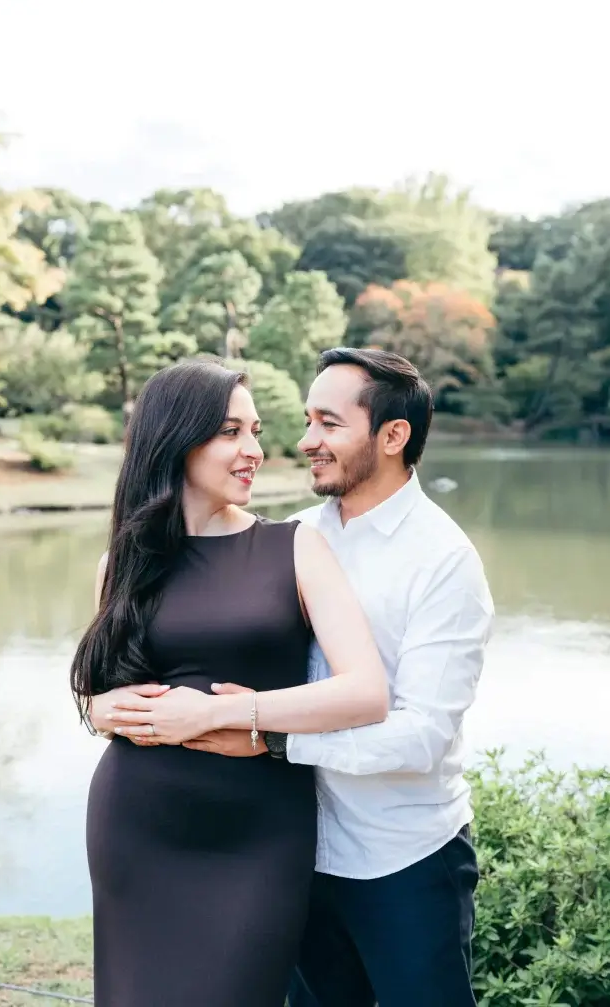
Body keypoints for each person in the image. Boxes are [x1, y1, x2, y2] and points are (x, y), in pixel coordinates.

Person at [94, 348, 495, 1007]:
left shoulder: (442, 561)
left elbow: (420, 736)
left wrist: (270, 738)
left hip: (398, 855)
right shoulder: (295, 534)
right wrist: (104, 705)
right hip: (293, 849)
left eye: (328, 424)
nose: (305, 440)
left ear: (392, 436)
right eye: (308, 420)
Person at [73, 359, 390, 1007]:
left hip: (259, 834)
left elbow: (366, 693)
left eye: (255, 431)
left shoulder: (295, 547)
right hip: (138, 823)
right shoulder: (123, 561)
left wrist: (222, 715)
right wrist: (99, 709)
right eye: (231, 432)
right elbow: (96, 690)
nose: (255, 450)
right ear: (177, 438)